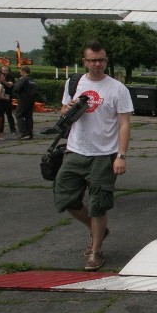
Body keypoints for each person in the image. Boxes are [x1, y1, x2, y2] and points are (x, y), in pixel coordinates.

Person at [54, 40, 134, 270]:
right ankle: (97, 229)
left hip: (104, 155)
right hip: (75, 150)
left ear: (106, 61)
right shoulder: (74, 83)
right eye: (93, 60)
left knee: (99, 204)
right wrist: (66, 109)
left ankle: (95, 252)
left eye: (101, 60)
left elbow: (124, 124)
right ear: (85, 62)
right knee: (65, 197)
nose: (97, 64)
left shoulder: (117, 88)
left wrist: (121, 155)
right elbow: (62, 111)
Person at [13, 66, 37, 140]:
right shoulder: (32, 80)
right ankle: (30, 133)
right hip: (31, 100)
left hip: (23, 100)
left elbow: (16, 89)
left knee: (19, 115)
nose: (20, 72)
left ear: (23, 71)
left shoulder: (24, 79)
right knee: (28, 117)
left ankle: (24, 133)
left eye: (20, 71)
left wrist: (18, 82)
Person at [0, 66, 17, 135]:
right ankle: (0, 129)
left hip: (7, 96)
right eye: (3, 70)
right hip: (0, 97)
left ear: (9, 71)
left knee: (9, 114)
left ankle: (12, 129)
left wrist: (2, 80)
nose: (5, 72)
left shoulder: (11, 77)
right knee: (1, 114)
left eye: (6, 70)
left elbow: (9, 85)